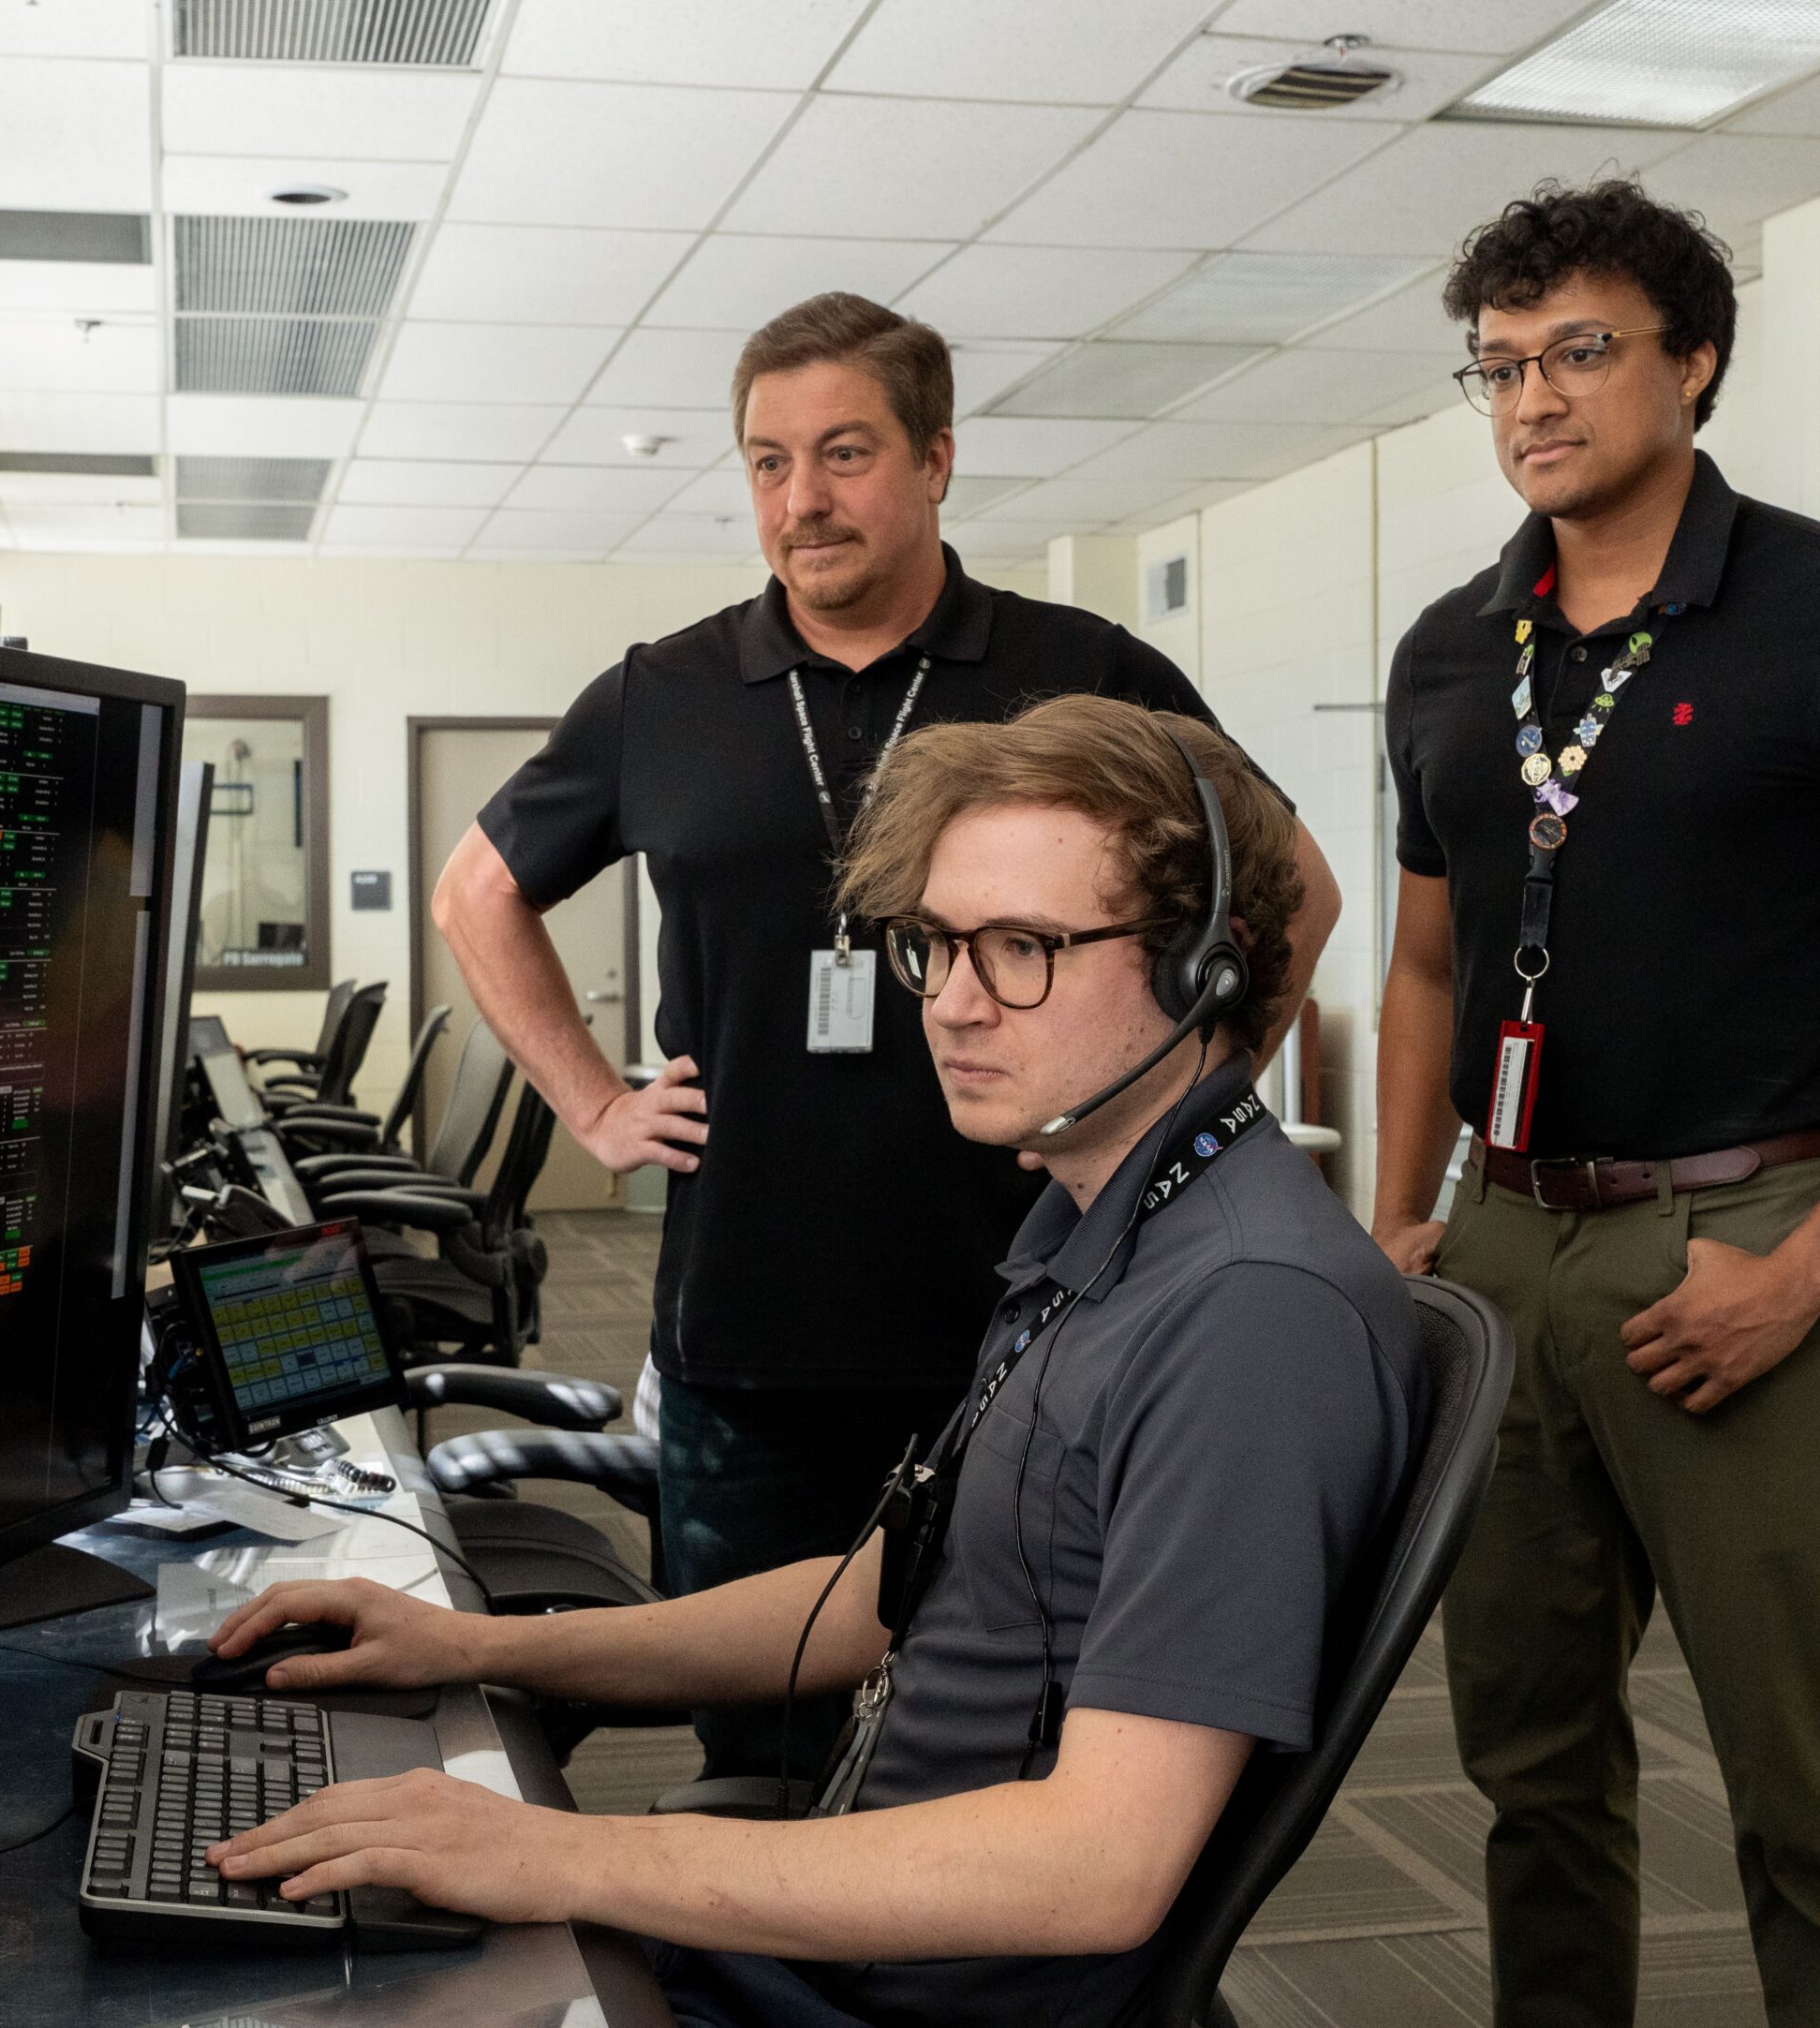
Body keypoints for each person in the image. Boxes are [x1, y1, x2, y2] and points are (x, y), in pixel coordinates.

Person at [214, 696, 1421, 2028]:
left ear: (1208, 968)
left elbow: (1099, 1868)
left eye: (1021, 948)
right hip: (835, 1933)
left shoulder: (1245, 1313)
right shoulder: (1099, 1225)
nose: (954, 1005)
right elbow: (878, 1604)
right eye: (937, 945)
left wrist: (561, 1854)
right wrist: (481, 1643)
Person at [432, 291, 1339, 1784]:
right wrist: (590, 1103)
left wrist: (1180, 1125)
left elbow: (1292, 888)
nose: (802, 499)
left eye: (844, 453)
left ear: (935, 459)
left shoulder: (1079, 666)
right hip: (747, 1329)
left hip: (1020, 1308)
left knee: (1016, 1733)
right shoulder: (664, 691)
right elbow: (479, 893)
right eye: (768, 461)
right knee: (757, 1746)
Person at [1369, 179, 1820, 2028]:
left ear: (1692, 362)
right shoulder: (1449, 650)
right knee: (1526, 1771)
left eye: (1577, 351)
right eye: (1497, 365)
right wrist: (1395, 1220)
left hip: (1743, 1238)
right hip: (1505, 1239)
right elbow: (1426, 969)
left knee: (1797, 1794)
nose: (1530, 396)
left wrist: (1806, 1266)